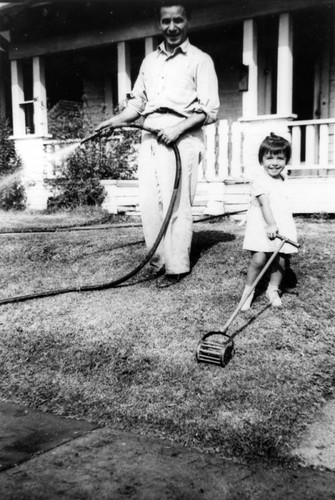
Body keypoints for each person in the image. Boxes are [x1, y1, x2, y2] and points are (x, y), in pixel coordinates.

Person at [95, 2, 220, 288]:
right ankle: (158, 261)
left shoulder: (200, 60)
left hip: (182, 137)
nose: (172, 27)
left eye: (178, 20)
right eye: (166, 21)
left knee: (176, 204)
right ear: (159, 23)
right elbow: (137, 103)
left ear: (187, 20)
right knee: (150, 204)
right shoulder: (149, 61)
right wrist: (115, 120)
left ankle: (177, 267)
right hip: (150, 134)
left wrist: (177, 128)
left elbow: (210, 109)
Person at [239, 133, 298, 310]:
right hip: (262, 225)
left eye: (280, 158)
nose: (274, 162)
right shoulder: (260, 181)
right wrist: (271, 224)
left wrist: (280, 224)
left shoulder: (284, 180)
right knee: (258, 259)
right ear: (261, 160)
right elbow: (264, 204)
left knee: (280, 260)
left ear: (286, 160)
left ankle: (272, 289)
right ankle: (248, 293)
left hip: (281, 224)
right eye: (269, 158)